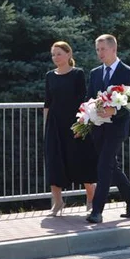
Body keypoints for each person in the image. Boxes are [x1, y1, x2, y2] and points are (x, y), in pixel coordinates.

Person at [84, 34, 130, 224]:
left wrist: (113, 111)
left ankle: (97, 210)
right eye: (97, 49)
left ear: (113, 49)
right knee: (110, 166)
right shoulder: (95, 73)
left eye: (103, 49)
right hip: (98, 128)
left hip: (117, 128)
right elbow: (90, 98)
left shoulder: (128, 72)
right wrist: (88, 116)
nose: (99, 53)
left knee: (103, 166)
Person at [43, 41, 96, 215]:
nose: (55, 57)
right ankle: (58, 202)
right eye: (53, 54)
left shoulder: (77, 74)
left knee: (80, 160)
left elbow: (83, 99)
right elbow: (48, 102)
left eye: (59, 53)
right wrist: (46, 126)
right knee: (54, 161)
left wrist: (83, 124)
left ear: (68, 54)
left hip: (75, 123)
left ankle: (90, 199)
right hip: (55, 125)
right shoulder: (49, 75)